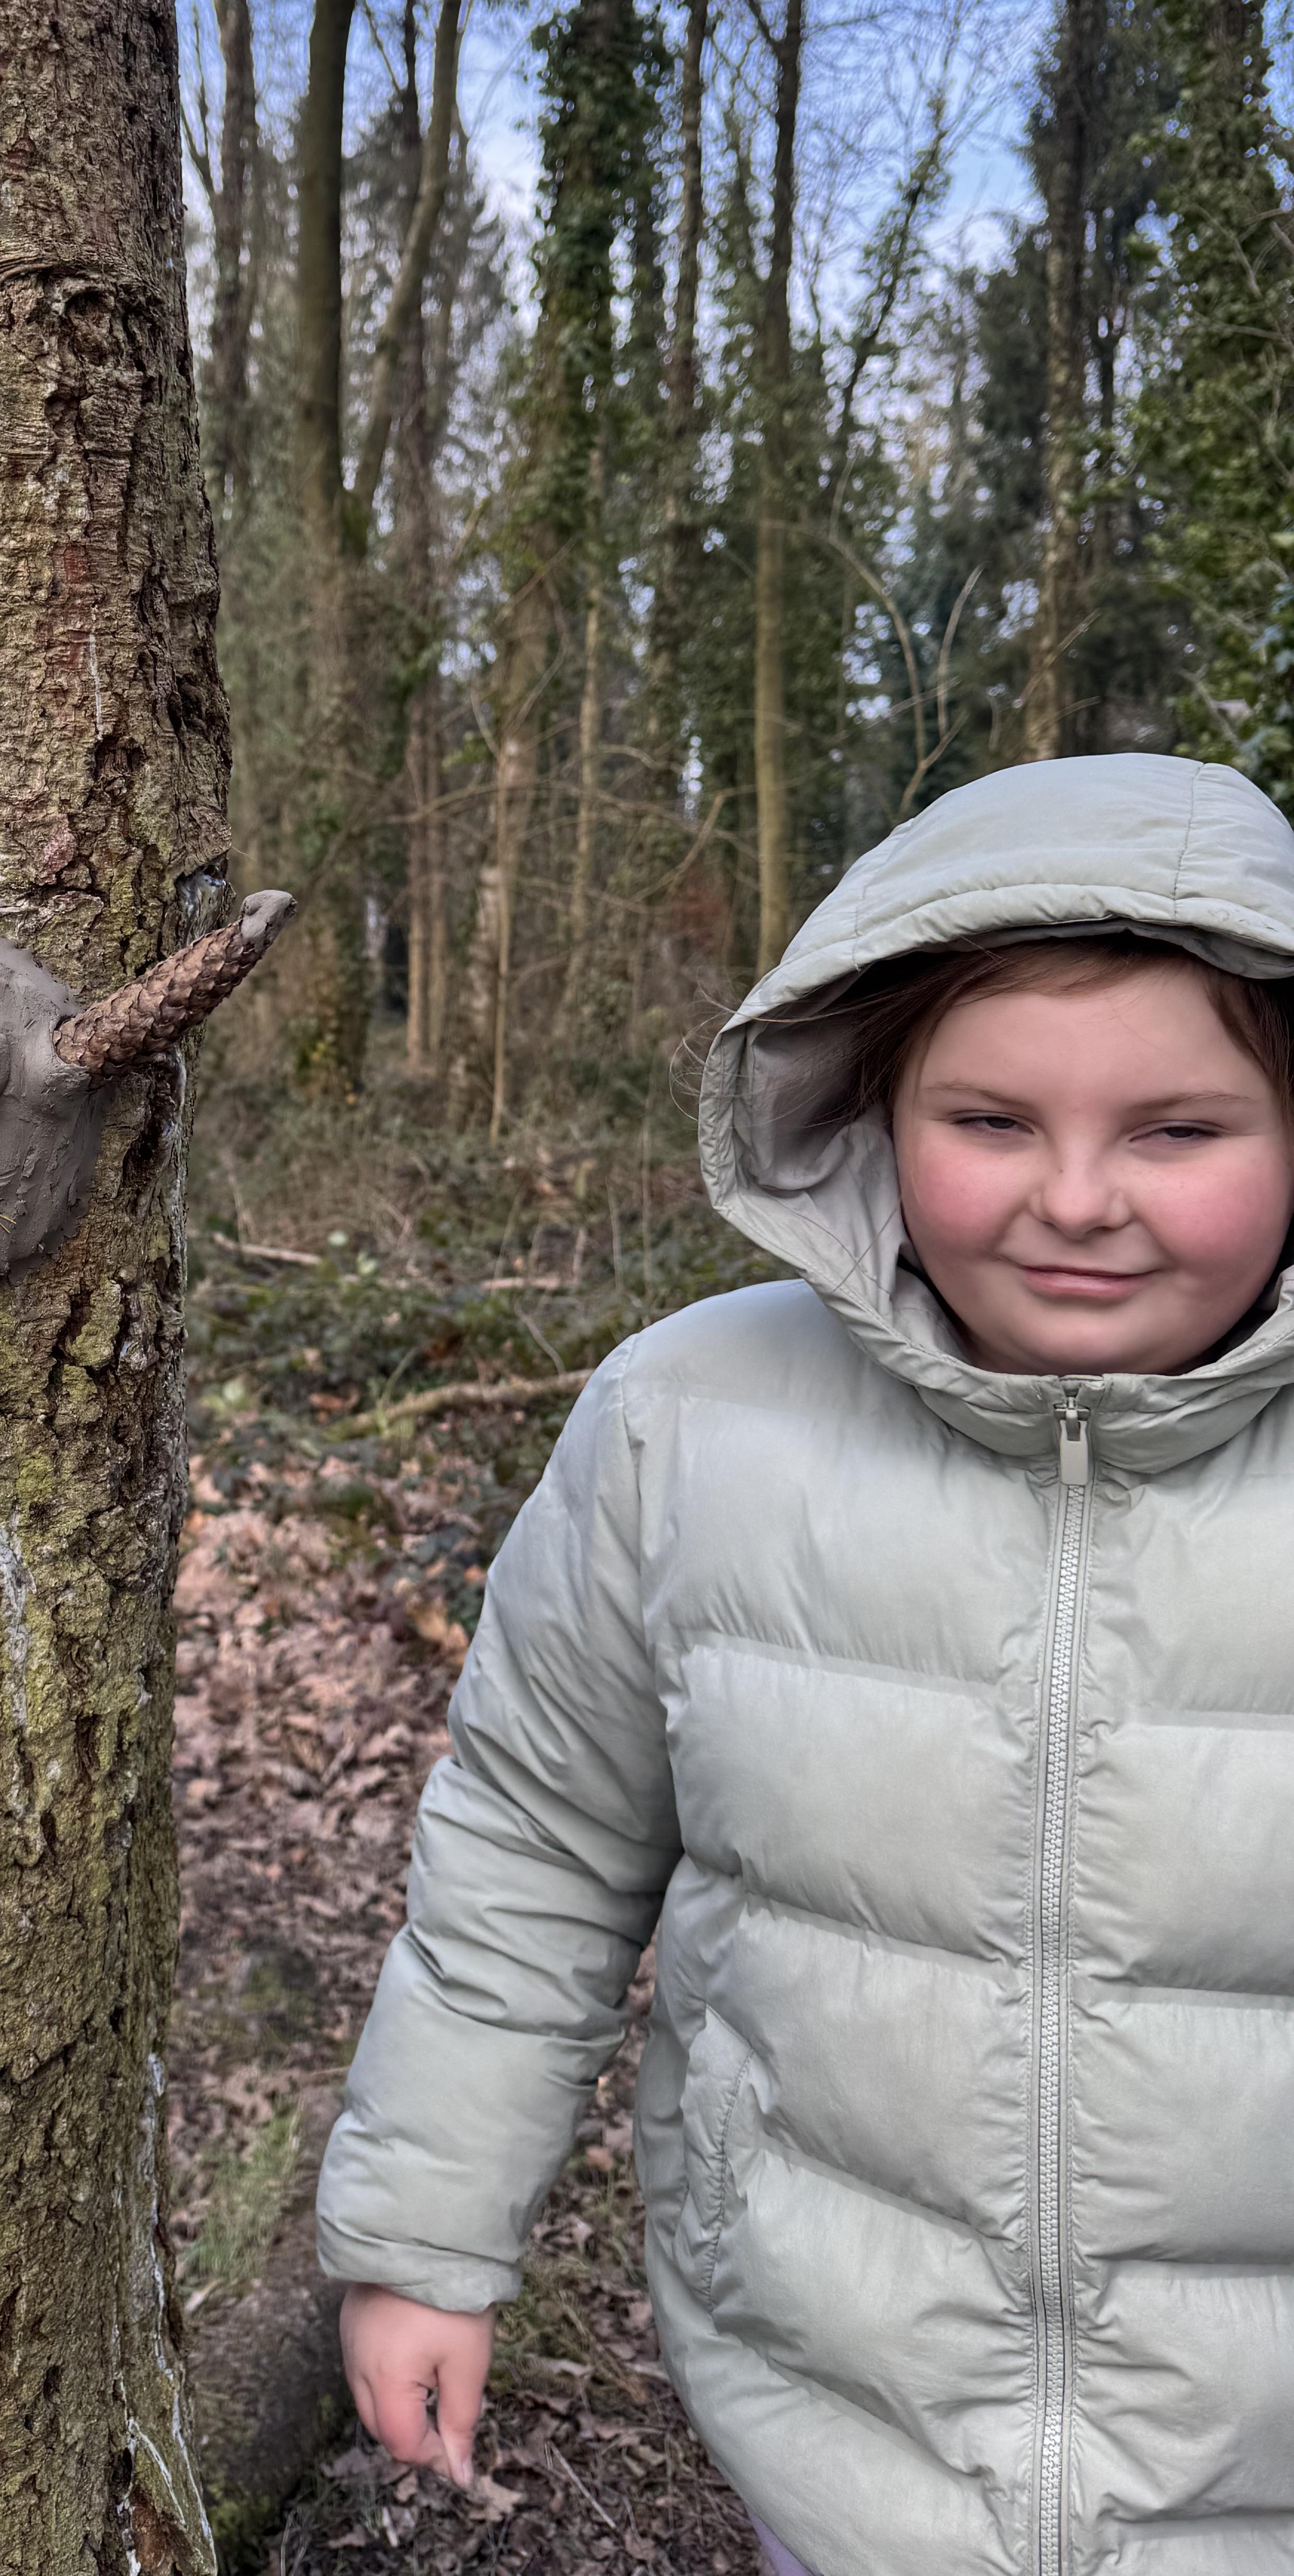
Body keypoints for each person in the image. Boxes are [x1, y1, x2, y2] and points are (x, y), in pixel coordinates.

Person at [317, 754, 1294, 2576]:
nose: (1077, 1198)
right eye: (989, 1120)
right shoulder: (690, 1422)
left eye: (1178, 1131)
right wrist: (425, 2240)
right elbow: (532, 1851)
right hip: (847, 2443)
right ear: (868, 1112)